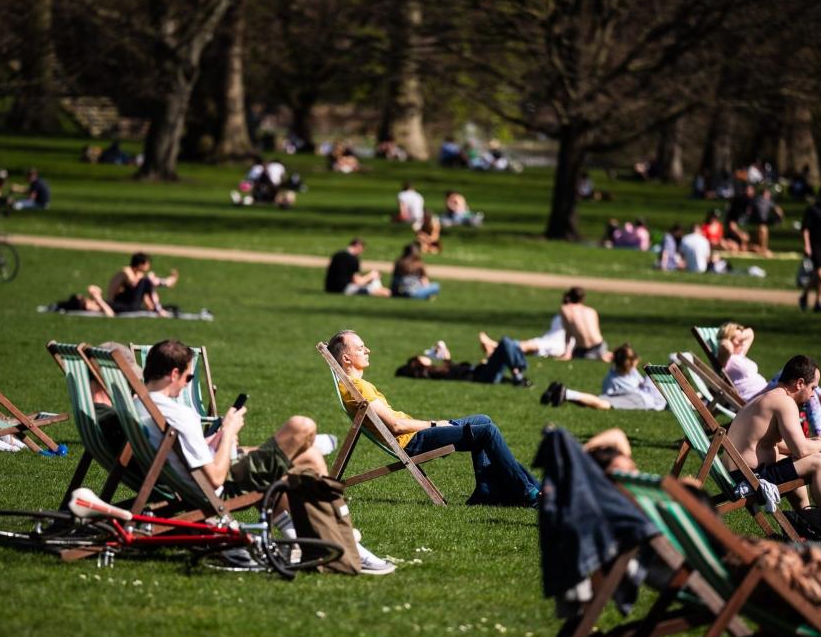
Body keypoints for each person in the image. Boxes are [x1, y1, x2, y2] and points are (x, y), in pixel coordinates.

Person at [136, 339, 395, 574]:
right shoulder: (178, 415)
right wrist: (227, 433)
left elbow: (180, 452)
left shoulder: (141, 404)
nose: (187, 384)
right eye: (189, 378)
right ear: (173, 375)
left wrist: (211, 441)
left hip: (192, 474)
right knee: (301, 426)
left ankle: (305, 536)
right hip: (218, 483)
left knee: (311, 457)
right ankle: (346, 541)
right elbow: (214, 477)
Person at [327, 330, 540, 507]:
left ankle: (486, 491)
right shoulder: (358, 388)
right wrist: (435, 423)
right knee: (487, 431)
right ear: (346, 358)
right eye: (360, 348)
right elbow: (396, 425)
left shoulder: (354, 387)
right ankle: (529, 493)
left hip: (415, 435)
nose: (367, 350)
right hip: (412, 441)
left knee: (482, 419)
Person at [725, 355, 821, 545]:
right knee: (818, 461)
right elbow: (801, 450)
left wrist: (818, 439)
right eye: (813, 387)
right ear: (799, 383)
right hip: (751, 478)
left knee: (790, 458)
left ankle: (806, 519)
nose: (814, 394)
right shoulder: (785, 403)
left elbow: (780, 444)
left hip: (741, 473)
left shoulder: (768, 398)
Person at [717, 322, 821, 437]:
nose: (741, 340)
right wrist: (727, 337)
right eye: (736, 336)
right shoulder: (725, 359)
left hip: (765, 391)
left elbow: (750, 332)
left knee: (806, 385)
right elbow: (725, 346)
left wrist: (737, 334)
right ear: (728, 337)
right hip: (754, 398)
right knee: (794, 372)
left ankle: (820, 432)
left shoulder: (739, 355)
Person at [539, 343, 666, 411]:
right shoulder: (619, 376)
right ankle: (566, 394)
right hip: (642, 399)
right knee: (604, 403)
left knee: (599, 401)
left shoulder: (626, 373)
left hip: (638, 396)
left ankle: (565, 394)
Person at [397, 333, 531, 386]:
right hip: (483, 377)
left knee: (507, 345)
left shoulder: (438, 371)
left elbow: (454, 371)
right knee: (506, 343)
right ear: (417, 364)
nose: (425, 357)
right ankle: (518, 373)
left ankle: (517, 373)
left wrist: (447, 359)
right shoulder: (431, 373)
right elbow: (459, 374)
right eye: (421, 357)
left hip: (482, 373)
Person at [105, 252, 178, 315]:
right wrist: (149, 279)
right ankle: (166, 282)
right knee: (146, 280)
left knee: (146, 281)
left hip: (129, 302)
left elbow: (141, 292)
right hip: (119, 303)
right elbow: (133, 284)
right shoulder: (127, 271)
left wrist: (149, 305)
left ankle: (165, 283)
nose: (149, 266)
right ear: (140, 264)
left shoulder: (139, 275)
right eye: (147, 263)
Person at [558, 287, 611, 361]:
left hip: (583, 350)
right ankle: (606, 354)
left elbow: (568, 332)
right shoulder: (591, 311)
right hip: (599, 345)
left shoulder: (565, 309)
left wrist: (567, 352)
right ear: (582, 298)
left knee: (583, 356)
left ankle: (605, 355)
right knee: (604, 356)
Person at [324, 238, 390, 297]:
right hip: (344, 289)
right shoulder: (353, 259)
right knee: (383, 291)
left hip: (329, 287)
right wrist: (371, 276)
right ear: (358, 246)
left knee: (380, 289)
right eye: (362, 249)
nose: (361, 252)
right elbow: (358, 281)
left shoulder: (336, 255)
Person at [748, 187, 783, 255]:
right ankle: (763, 249)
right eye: (767, 194)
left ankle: (762, 249)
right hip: (756, 223)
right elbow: (779, 211)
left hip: (763, 222)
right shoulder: (759, 200)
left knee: (763, 229)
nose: (768, 195)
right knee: (763, 229)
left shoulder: (768, 201)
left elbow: (779, 211)